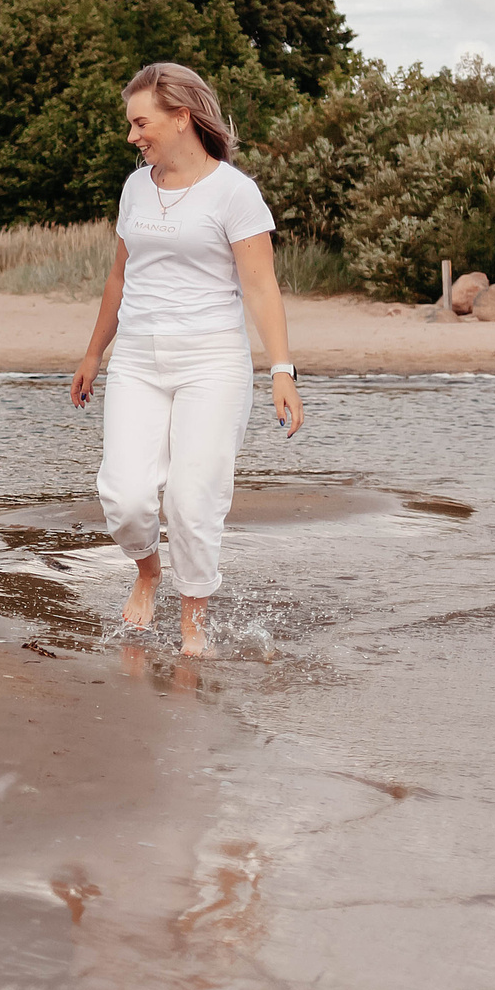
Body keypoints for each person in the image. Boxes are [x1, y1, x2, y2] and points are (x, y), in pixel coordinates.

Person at [69, 61, 303, 657]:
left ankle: (193, 620)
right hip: (139, 362)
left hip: (212, 363)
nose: (133, 136)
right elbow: (120, 276)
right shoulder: (135, 187)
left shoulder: (234, 191)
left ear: (182, 116)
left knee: (192, 500)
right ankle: (148, 572)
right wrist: (94, 353)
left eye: (140, 123)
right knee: (125, 497)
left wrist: (281, 370)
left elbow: (261, 287)